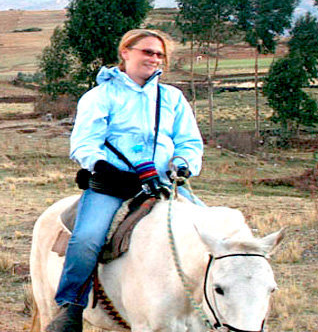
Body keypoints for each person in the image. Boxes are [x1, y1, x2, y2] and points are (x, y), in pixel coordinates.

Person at [46, 29, 203, 332]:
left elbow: (189, 141)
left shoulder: (172, 97)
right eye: (147, 52)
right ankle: (70, 309)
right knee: (88, 237)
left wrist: (183, 166)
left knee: (210, 230)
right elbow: (84, 142)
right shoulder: (101, 96)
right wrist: (101, 165)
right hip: (113, 185)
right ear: (126, 53)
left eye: (159, 55)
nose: (154, 59)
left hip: (161, 183)